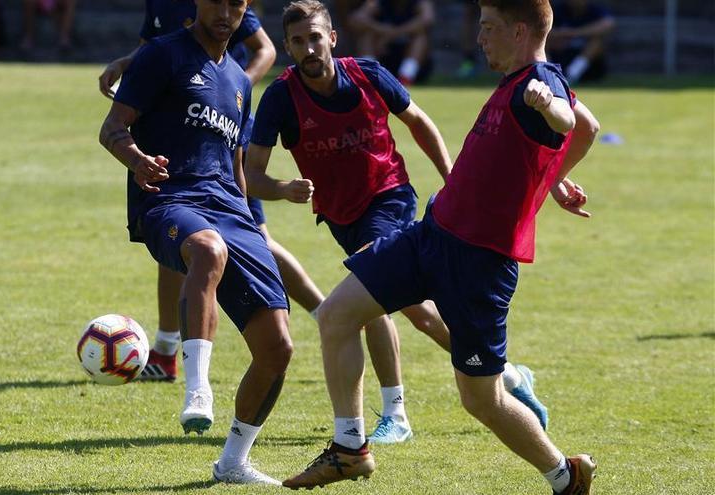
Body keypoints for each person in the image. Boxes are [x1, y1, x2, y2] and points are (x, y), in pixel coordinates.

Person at [283, 0, 601, 493]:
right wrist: (554, 178)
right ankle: (350, 449)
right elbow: (590, 126)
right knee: (336, 314)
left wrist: (547, 107)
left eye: (489, 28)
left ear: (519, 31)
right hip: (430, 236)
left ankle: (565, 474)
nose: (479, 38)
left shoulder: (540, 82)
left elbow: (568, 119)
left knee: (481, 400)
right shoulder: (518, 81)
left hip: (480, 264)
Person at [246, 0, 549, 447]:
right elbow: (250, 176)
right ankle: (507, 374)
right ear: (288, 47)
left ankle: (395, 412)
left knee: (366, 300)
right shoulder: (280, 98)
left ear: (332, 37)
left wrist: (450, 177)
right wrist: (282, 188)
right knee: (420, 315)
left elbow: (419, 122)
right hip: (340, 216)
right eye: (297, 41)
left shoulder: (368, 74)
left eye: (315, 37)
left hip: (389, 197)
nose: (308, 48)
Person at [99, 0, 291, 485]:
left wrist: (251, 219)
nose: (226, 11)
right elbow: (112, 129)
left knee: (278, 349)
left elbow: (236, 166)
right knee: (206, 249)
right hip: (168, 201)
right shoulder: (162, 55)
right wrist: (137, 159)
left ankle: (233, 462)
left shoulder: (241, 82)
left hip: (232, 211)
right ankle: (197, 387)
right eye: (217, 1)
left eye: (237, 3)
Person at [98, 0, 323, 384]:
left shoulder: (228, 13)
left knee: (255, 238)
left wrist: (234, 85)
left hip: (220, 131)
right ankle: (168, 351)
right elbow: (151, 45)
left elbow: (265, 48)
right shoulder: (161, 12)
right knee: (188, 244)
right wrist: (124, 63)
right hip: (180, 139)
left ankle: (325, 311)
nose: (224, 10)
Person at [347, 0, 435, 85]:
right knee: (367, 36)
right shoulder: (378, 2)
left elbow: (427, 19)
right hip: (383, 58)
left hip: (411, 61)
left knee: (420, 37)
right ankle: (369, 75)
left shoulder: (419, 2)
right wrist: (379, 28)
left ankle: (406, 77)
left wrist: (394, 33)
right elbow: (356, 19)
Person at [547, 0, 615, 84]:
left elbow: (608, 24)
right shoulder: (558, 10)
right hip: (560, 56)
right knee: (544, 42)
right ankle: (550, 75)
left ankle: (572, 76)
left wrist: (573, 33)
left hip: (586, 65)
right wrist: (559, 36)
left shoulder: (594, 10)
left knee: (597, 42)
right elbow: (541, 28)